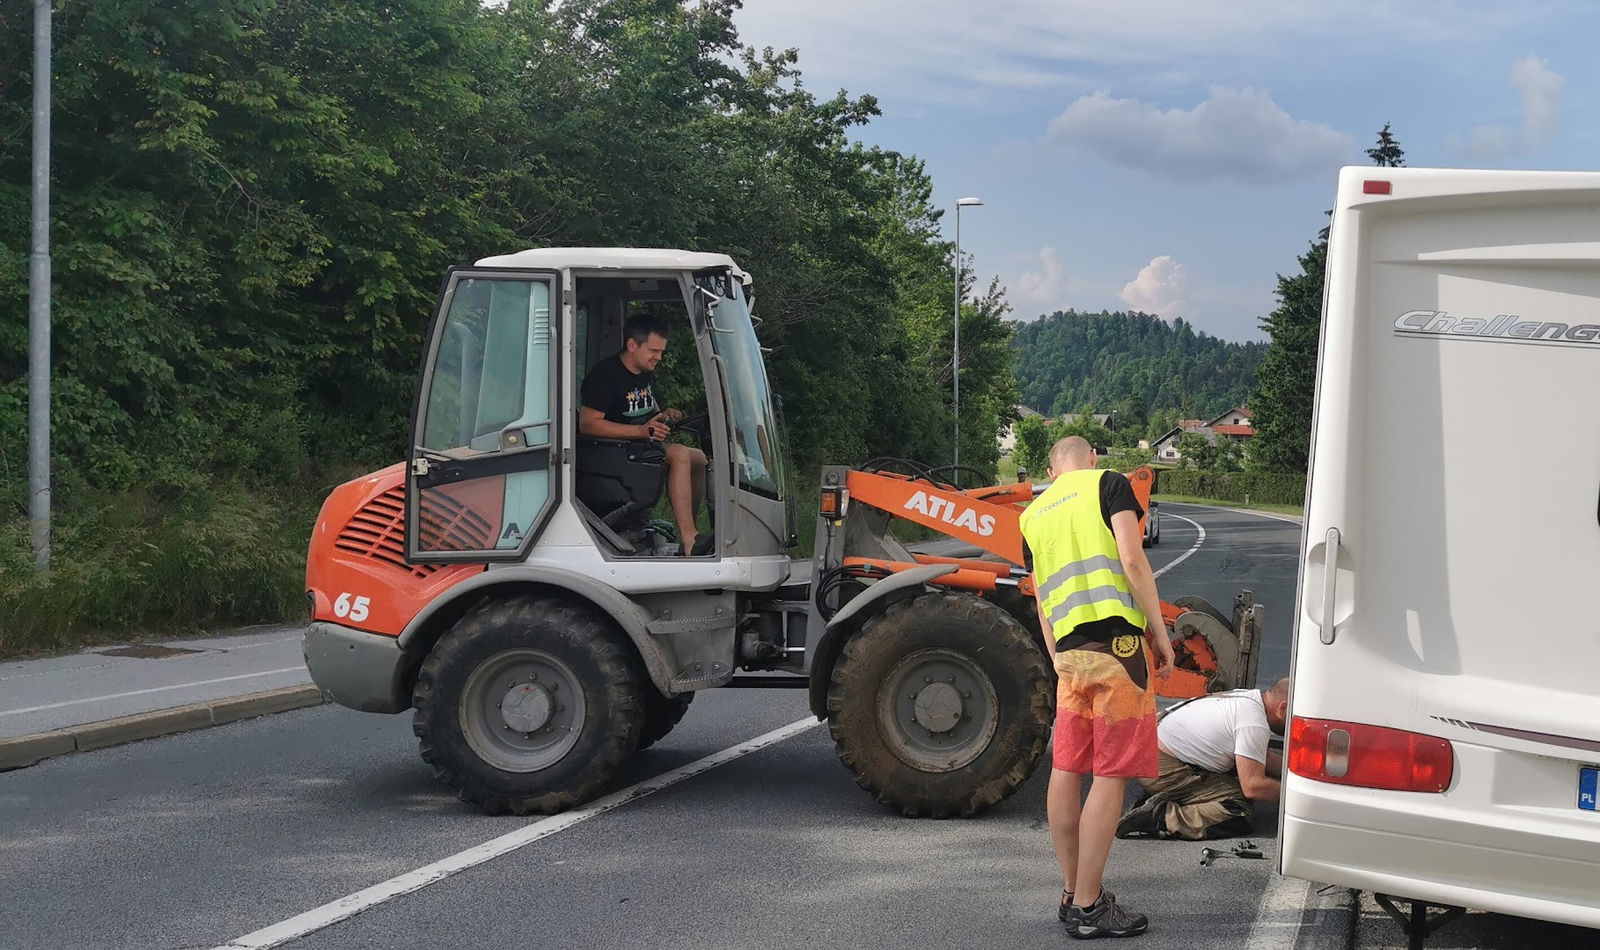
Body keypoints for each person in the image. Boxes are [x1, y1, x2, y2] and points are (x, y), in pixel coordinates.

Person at [1019, 436, 1175, 940]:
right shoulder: (1109, 486)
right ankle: (1090, 906)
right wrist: (1160, 632)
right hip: (1118, 650)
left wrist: (1058, 658)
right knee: (1111, 775)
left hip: (1069, 654)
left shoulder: (1033, 515)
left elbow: (1043, 602)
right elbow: (1133, 561)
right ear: (1091, 458)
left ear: (1050, 466)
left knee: (1066, 769)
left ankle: (1072, 892)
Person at [579, 314, 707, 553]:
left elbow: (646, 405)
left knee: (698, 458)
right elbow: (587, 424)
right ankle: (689, 539)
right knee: (679, 454)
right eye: (654, 351)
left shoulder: (644, 370)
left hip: (639, 446)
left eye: (661, 352)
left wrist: (664, 415)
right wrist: (641, 431)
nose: (658, 357)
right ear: (632, 345)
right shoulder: (605, 377)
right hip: (612, 452)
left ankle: (691, 530)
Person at [1115, 678, 1290, 841]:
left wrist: (1294, 773)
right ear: (1282, 708)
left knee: (1235, 772)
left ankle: (1168, 792)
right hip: (1157, 764)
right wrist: (1297, 796)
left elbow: (1260, 756)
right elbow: (1253, 787)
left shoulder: (1249, 698)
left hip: (1150, 744)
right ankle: (1162, 816)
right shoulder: (1253, 722)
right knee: (1239, 810)